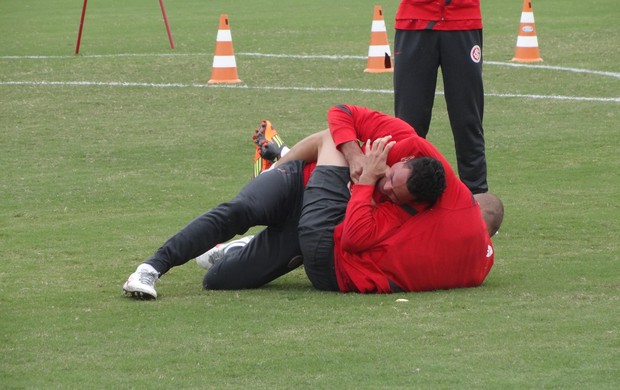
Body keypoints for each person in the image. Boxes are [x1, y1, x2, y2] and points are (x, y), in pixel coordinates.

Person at [122, 105, 503, 299]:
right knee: (243, 209)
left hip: (319, 221)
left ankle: (236, 245)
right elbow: (335, 125)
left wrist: (369, 183)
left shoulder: (416, 208)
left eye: (395, 194)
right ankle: (151, 268)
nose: (387, 190)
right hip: (297, 184)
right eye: (390, 181)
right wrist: (353, 158)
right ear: (402, 158)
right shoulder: (402, 140)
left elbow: (361, 236)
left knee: (218, 281)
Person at [393, 0, 488, 194]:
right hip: (415, 20)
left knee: (467, 120)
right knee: (410, 123)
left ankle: (477, 198)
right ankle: (405, 196)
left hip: (463, 21)